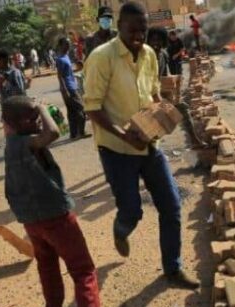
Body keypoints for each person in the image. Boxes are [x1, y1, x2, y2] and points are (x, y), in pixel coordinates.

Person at [83, 2, 200, 289]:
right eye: (132, 28)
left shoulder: (150, 54)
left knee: (171, 206)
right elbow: (93, 108)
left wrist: (167, 111)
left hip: (149, 145)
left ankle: (172, 269)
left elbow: (154, 93)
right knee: (132, 211)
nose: (138, 34)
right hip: (116, 149)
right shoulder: (101, 58)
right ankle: (121, 228)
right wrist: (125, 135)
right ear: (119, 25)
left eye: (143, 29)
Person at [0, 95, 118, 307]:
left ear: (8, 124)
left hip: (31, 220)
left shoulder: (12, 143)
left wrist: (33, 115)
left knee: (47, 265)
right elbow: (53, 132)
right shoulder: (25, 142)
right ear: (30, 122)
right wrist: (41, 107)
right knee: (84, 271)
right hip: (56, 217)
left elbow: (42, 131)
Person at [56, 37, 88, 140]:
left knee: (72, 112)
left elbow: (67, 73)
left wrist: (77, 70)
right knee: (81, 108)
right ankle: (81, 132)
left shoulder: (66, 56)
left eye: (69, 44)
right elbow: (60, 76)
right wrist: (64, 89)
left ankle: (73, 134)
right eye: (66, 44)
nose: (68, 46)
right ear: (60, 45)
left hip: (72, 85)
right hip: (69, 88)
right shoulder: (60, 59)